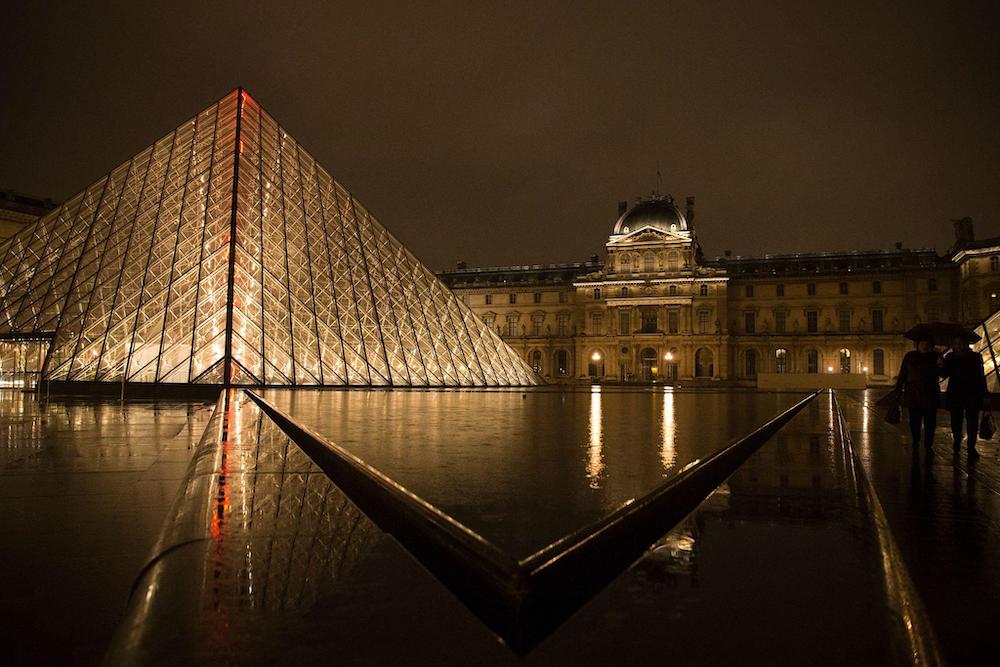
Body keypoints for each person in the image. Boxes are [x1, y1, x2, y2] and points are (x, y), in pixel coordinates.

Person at [940, 336, 987, 458]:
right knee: (956, 421)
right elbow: (944, 374)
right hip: (956, 393)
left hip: (972, 393)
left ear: (967, 344)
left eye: (961, 343)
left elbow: (981, 376)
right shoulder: (950, 357)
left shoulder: (976, 357)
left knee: (972, 422)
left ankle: (971, 446)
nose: (959, 345)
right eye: (956, 343)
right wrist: (941, 365)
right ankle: (957, 442)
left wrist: (985, 394)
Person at [895, 334, 942, 452]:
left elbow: (944, 374)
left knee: (930, 422)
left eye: (928, 344)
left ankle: (928, 444)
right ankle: (916, 441)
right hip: (913, 393)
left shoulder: (936, 357)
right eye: (922, 343)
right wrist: (898, 390)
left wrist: (941, 365)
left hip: (930, 393)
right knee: (914, 421)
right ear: (918, 344)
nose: (925, 345)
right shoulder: (910, 356)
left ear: (931, 345)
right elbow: (903, 374)